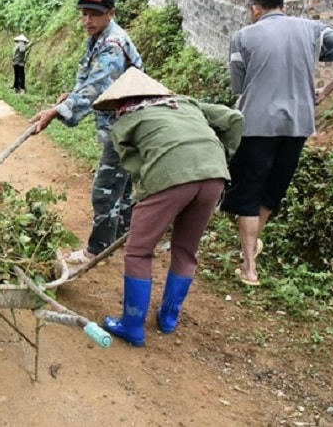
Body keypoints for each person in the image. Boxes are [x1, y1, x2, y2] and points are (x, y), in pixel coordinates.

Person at [220, 0, 333, 286]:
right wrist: (328, 91)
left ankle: (249, 268)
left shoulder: (243, 37)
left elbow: (238, 87)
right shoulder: (313, 29)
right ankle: (251, 247)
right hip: (298, 125)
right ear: (282, 7)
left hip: (257, 125)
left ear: (255, 9)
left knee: (248, 192)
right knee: (272, 190)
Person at [91, 68, 243, 347]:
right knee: (186, 249)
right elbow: (234, 118)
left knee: (139, 251)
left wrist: (149, 210)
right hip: (214, 175)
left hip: (169, 176)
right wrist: (222, 155)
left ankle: (132, 325)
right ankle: (169, 318)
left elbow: (137, 172)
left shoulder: (125, 123)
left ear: (120, 102)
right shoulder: (185, 103)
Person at [31, 0, 143, 265]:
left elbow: (96, 88)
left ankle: (97, 250)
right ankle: (124, 240)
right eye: (84, 14)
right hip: (124, 125)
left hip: (126, 128)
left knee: (105, 189)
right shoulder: (100, 38)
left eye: (95, 14)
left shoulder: (112, 46)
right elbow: (88, 80)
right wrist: (70, 96)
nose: (87, 20)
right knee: (124, 186)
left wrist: (57, 111)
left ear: (111, 14)